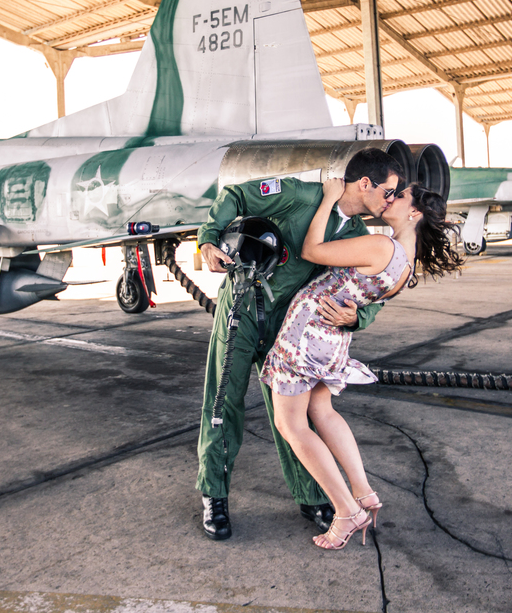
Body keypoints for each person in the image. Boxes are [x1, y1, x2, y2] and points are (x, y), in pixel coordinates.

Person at [195, 148, 404, 541]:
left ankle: (310, 497)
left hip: (289, 329)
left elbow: (369, 293)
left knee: (295, 418)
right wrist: (208, 240)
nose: (390, 201)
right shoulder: (300, 195)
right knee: (223, 404)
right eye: (388, 192)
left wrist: (356, 318)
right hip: (242, 308)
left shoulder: (360, 237)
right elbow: (237, 196)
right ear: (365, 184)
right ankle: (215, 495)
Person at [261, 180, 460, 549]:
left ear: (413, 212)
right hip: (331, 340)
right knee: (322, 411)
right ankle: (363, 491)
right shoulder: (407, 262)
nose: (389, 198)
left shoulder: (383, 245)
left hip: (307, 335)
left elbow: (312, 249)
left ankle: (346, 509)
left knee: (290, 424)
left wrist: (330, 199)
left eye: (399, 196)